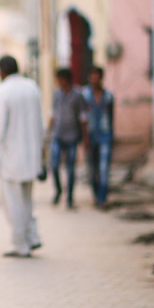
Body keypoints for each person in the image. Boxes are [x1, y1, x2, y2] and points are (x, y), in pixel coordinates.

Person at [0, 56, 44, 258]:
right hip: (32, 155)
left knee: (14, 202)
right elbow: (40, 123)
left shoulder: (3, 91)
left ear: (2, 71)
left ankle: (21, 244)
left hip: (12, 157)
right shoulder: (32, 88)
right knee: (27, 199)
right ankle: (32, 236)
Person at [48, 68, 88, 209]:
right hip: (57, 134)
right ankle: (58, 190)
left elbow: (83, 117)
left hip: (72, 136)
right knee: (54, 164)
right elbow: (52, 114)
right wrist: (49, 133)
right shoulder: (57, 94)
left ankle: (70, 196)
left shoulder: (77, 95)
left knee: (71, 168)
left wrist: (84, 136)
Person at [82, 67, 114, 207]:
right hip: (90, 135)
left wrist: (112, 134)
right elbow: (82, 117)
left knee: (103, 167)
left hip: (105, 134)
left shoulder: (108, 96)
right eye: (92, 77)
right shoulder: (84, 95)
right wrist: (84, 137)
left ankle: (102, 198)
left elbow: (112, 117)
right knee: (92, 169)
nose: (94, 80)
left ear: (101, 78)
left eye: (97, 77)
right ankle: (96, 193)